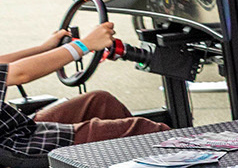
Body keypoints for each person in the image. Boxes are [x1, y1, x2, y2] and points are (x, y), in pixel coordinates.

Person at [0, 22, 168, 157]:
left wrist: (45, 48)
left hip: (14, 128)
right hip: (16, 144)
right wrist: (84, 45)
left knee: (100, 101)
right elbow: (20, 74)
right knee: (145, 130)